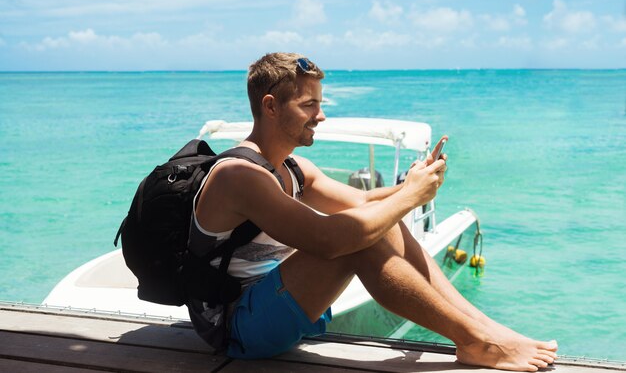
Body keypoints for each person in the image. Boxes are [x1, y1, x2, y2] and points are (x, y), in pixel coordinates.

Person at [190, 52, 558, 371]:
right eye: (308, 105)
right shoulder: (237, 176)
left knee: (384, 221)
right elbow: (330, 241)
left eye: (320, 104)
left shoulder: (293, 168)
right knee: (359, 239)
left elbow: (364, 202)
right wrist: (410, 198)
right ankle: (475, 341)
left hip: (271, 303)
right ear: (270, 106)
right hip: (235, 325)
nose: (320, 116)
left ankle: (484, 329)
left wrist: (413, 183)